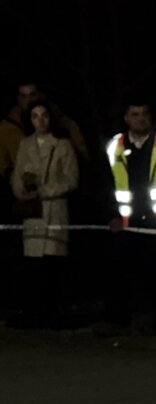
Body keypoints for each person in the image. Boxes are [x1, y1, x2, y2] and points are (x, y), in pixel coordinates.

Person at [104, 101, 156, 332]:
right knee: (122, 275)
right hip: (127, 221)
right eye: (135, 114)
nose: (141, 119)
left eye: (144, 114)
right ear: (126, 118)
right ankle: (119, 321)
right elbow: (106, 184)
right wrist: (111, 215)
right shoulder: (114, 145)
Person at [9, 101, 79, 327]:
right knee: (33, 266)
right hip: (33, 212)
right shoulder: (25, 144)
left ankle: (52, 313)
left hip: (55, 210)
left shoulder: (63, 145)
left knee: (53, 265)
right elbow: (17, 174)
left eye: (44, 115)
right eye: (35, 116)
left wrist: (45, 191)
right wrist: (21, 193)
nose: (40, 121)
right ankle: (34, 313)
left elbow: (71, 179)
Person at [0, 81, 88, 189]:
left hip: (61, 189)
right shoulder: (8, 128)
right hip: (28, 191)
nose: (29, 100)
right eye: (24, 96)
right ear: (19, 99)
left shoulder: (64, 124)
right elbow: (3, 162)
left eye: (32, 95)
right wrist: (16, 181)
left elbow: (82, 154)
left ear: (40, 95)